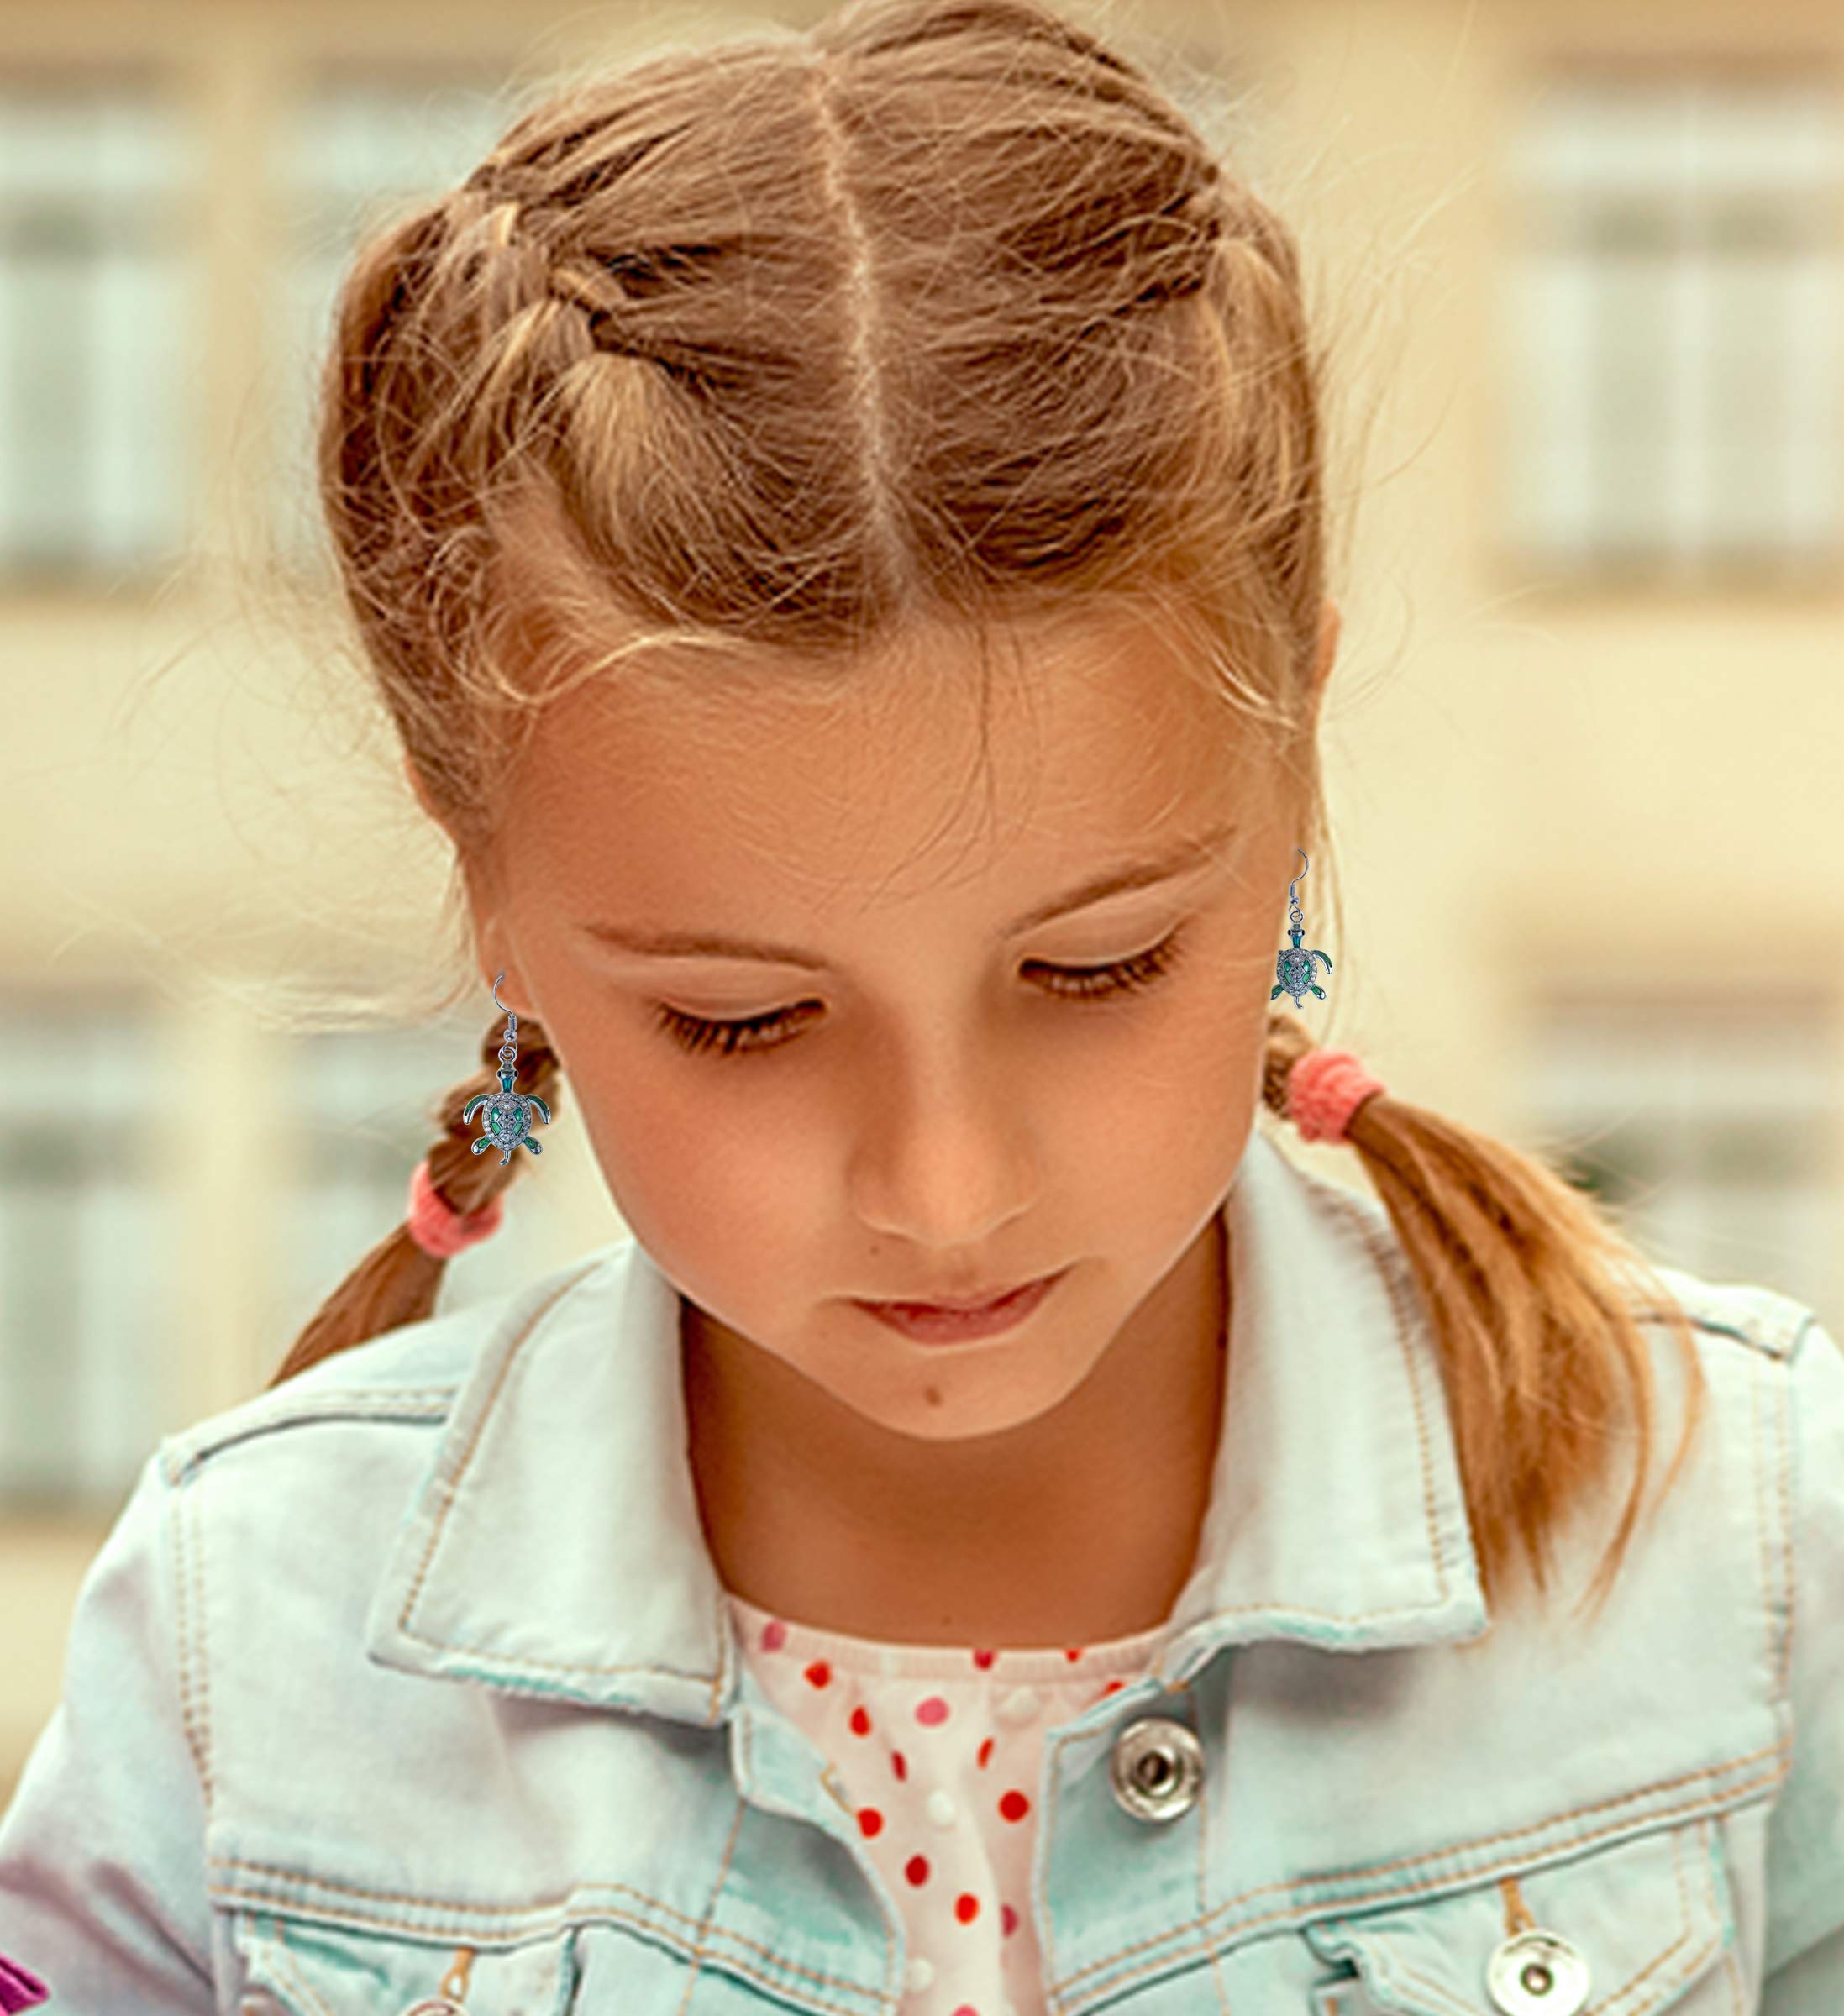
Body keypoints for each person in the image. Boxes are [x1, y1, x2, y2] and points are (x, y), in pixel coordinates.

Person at [3, 0, 1839, 2008]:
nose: (945, 1190)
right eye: (742, 1020)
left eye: (1097, 968)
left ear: (1294, 756)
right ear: (486, 878)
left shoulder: (1751, 1550)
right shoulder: (232, 1663)